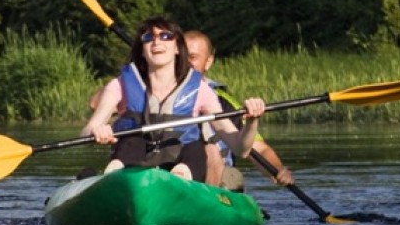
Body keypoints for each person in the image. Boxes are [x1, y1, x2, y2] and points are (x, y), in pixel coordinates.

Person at [82, 16, 267, 183]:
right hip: (133, 165)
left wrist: (252, 122)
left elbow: (240, 149)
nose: (156, 41)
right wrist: (96, 132)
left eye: (165, 36)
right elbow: (86, 132)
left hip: (181, 165)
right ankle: (116, 173)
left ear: (177, 47)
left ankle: (181, 177)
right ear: (142, 50)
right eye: (148, 37)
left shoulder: (201, 90)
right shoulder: (120, 85)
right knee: (133, 140)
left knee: (199, 147)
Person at [185, 30, 296, 190]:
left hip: (220, 177)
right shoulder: (158, 95)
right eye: (180, 56)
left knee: (210, 150)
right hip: (181, 172)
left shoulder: (223, 101)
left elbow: (259, 148)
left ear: (208, 62)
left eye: (193, 57)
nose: (185, 62)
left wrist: (278, 170)